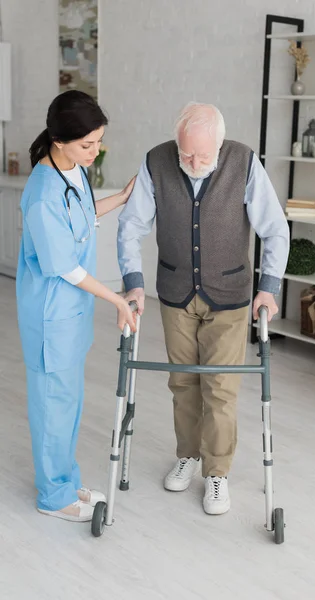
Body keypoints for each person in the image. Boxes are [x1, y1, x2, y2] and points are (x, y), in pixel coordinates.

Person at [117, 102, 289, 515]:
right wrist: (133, 284)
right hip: (175, 291)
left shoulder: (244, 162)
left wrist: (269, 287)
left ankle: (217, 474)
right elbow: (131, 225)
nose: (193, 163)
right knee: (182, 383)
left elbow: (274, 227)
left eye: (202, 155)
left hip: (229, 294)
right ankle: (188, 456)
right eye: (186, 154)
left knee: (222, 388)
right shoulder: (156, 161)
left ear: (220, 143)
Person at [16, 90, 137, 523]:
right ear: (59, 139)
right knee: (53, 407)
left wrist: (122, 197)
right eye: (88, 144)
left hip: (71, 315)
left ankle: (65, 481)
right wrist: (116, 299)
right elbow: (63, 265)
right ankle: (53, 496)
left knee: (69, 403)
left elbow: (83, 218)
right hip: (52, 316)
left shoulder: (73, 173)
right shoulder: (43, 191)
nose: (95, 151)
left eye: (99, 141)